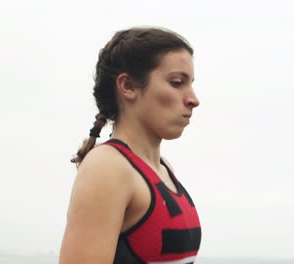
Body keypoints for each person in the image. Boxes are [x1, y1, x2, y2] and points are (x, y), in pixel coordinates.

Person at [59, 27, 201, 264]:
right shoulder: (107, 168)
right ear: (128, 86)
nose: (193, 99)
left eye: (191, 84)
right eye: (177, 83)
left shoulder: (163, 168)